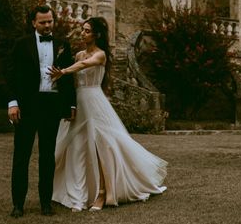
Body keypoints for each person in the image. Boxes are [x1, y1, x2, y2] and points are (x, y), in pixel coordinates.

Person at [50, 17, 167, 212]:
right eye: (82, 30)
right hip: (79, 103)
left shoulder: (101, 55)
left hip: (94, 101)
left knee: (101, 147)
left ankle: (103, 193)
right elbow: (73, 78)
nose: (83, 33)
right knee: (76, 147)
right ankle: (78, 196)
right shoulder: (78, 54)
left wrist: (63, 71)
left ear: (96, 34)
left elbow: (82, 66)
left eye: (87, 31)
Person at [7, 5, 76, 218]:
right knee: (21, 155)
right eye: (43, 22)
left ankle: (46, 202)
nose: (48, 26)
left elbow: (68, 78)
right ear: (33, 23)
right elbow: (11, 74)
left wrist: (71, 105)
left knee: (47, 156)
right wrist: (12, 103)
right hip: (27, 106)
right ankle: (18, 204)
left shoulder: (63, 45)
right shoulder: (21, 44)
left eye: (50, 21)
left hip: (52, 105)